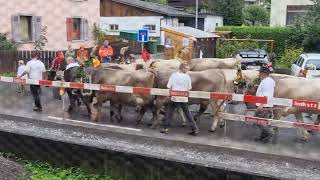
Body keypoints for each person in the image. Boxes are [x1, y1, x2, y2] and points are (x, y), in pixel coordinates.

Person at [160, 63, 199, 136]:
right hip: (183, 98)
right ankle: (194, 129)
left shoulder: (173, 75)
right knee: (187, 114)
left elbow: (169, 86)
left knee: (169, 112)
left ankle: (166, 128)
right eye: (186, 68)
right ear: (181, 68)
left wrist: (170, 95)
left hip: (174, 97)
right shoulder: (187, 77)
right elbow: (189, 88)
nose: (187, 70)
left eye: (187, 68)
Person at [254, 66, 276, 143]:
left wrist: (261, 104)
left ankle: (269, 133)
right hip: (266, 105)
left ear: (264, 73)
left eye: (260, 73)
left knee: (258, 121)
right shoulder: (268, 81)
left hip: (264, 106)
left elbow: (267, 94)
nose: (259, 74)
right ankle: (263, 137)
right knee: (262, 122)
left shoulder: (267, 82)